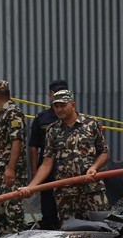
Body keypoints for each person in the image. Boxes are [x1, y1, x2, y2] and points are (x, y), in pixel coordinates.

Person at [20, 89, 110, 222]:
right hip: (66, 193)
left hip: (92, 189)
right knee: (69, 235)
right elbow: (46, 163)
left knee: (102, 228)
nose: (59, 109)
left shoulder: (91, 124)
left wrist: (94, 167)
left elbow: (103, 152)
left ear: (73, 105)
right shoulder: (52, 130)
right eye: (56, 106)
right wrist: (31, 187)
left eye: (63, 105)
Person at [0, 80, 28, 234]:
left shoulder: (12, 113)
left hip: (8, 175)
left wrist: (10, 168)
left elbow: (16, 141)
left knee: (13, 215)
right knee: (1, 216)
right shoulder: (3, 113)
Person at [28, 79, 68, 229]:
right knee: (48, 208)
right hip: (47, 170)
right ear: (50, 95)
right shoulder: (42, 119)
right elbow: (34, 145)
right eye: (55, 94)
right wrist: (34, 171)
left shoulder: (79, 120)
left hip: (68, 172)